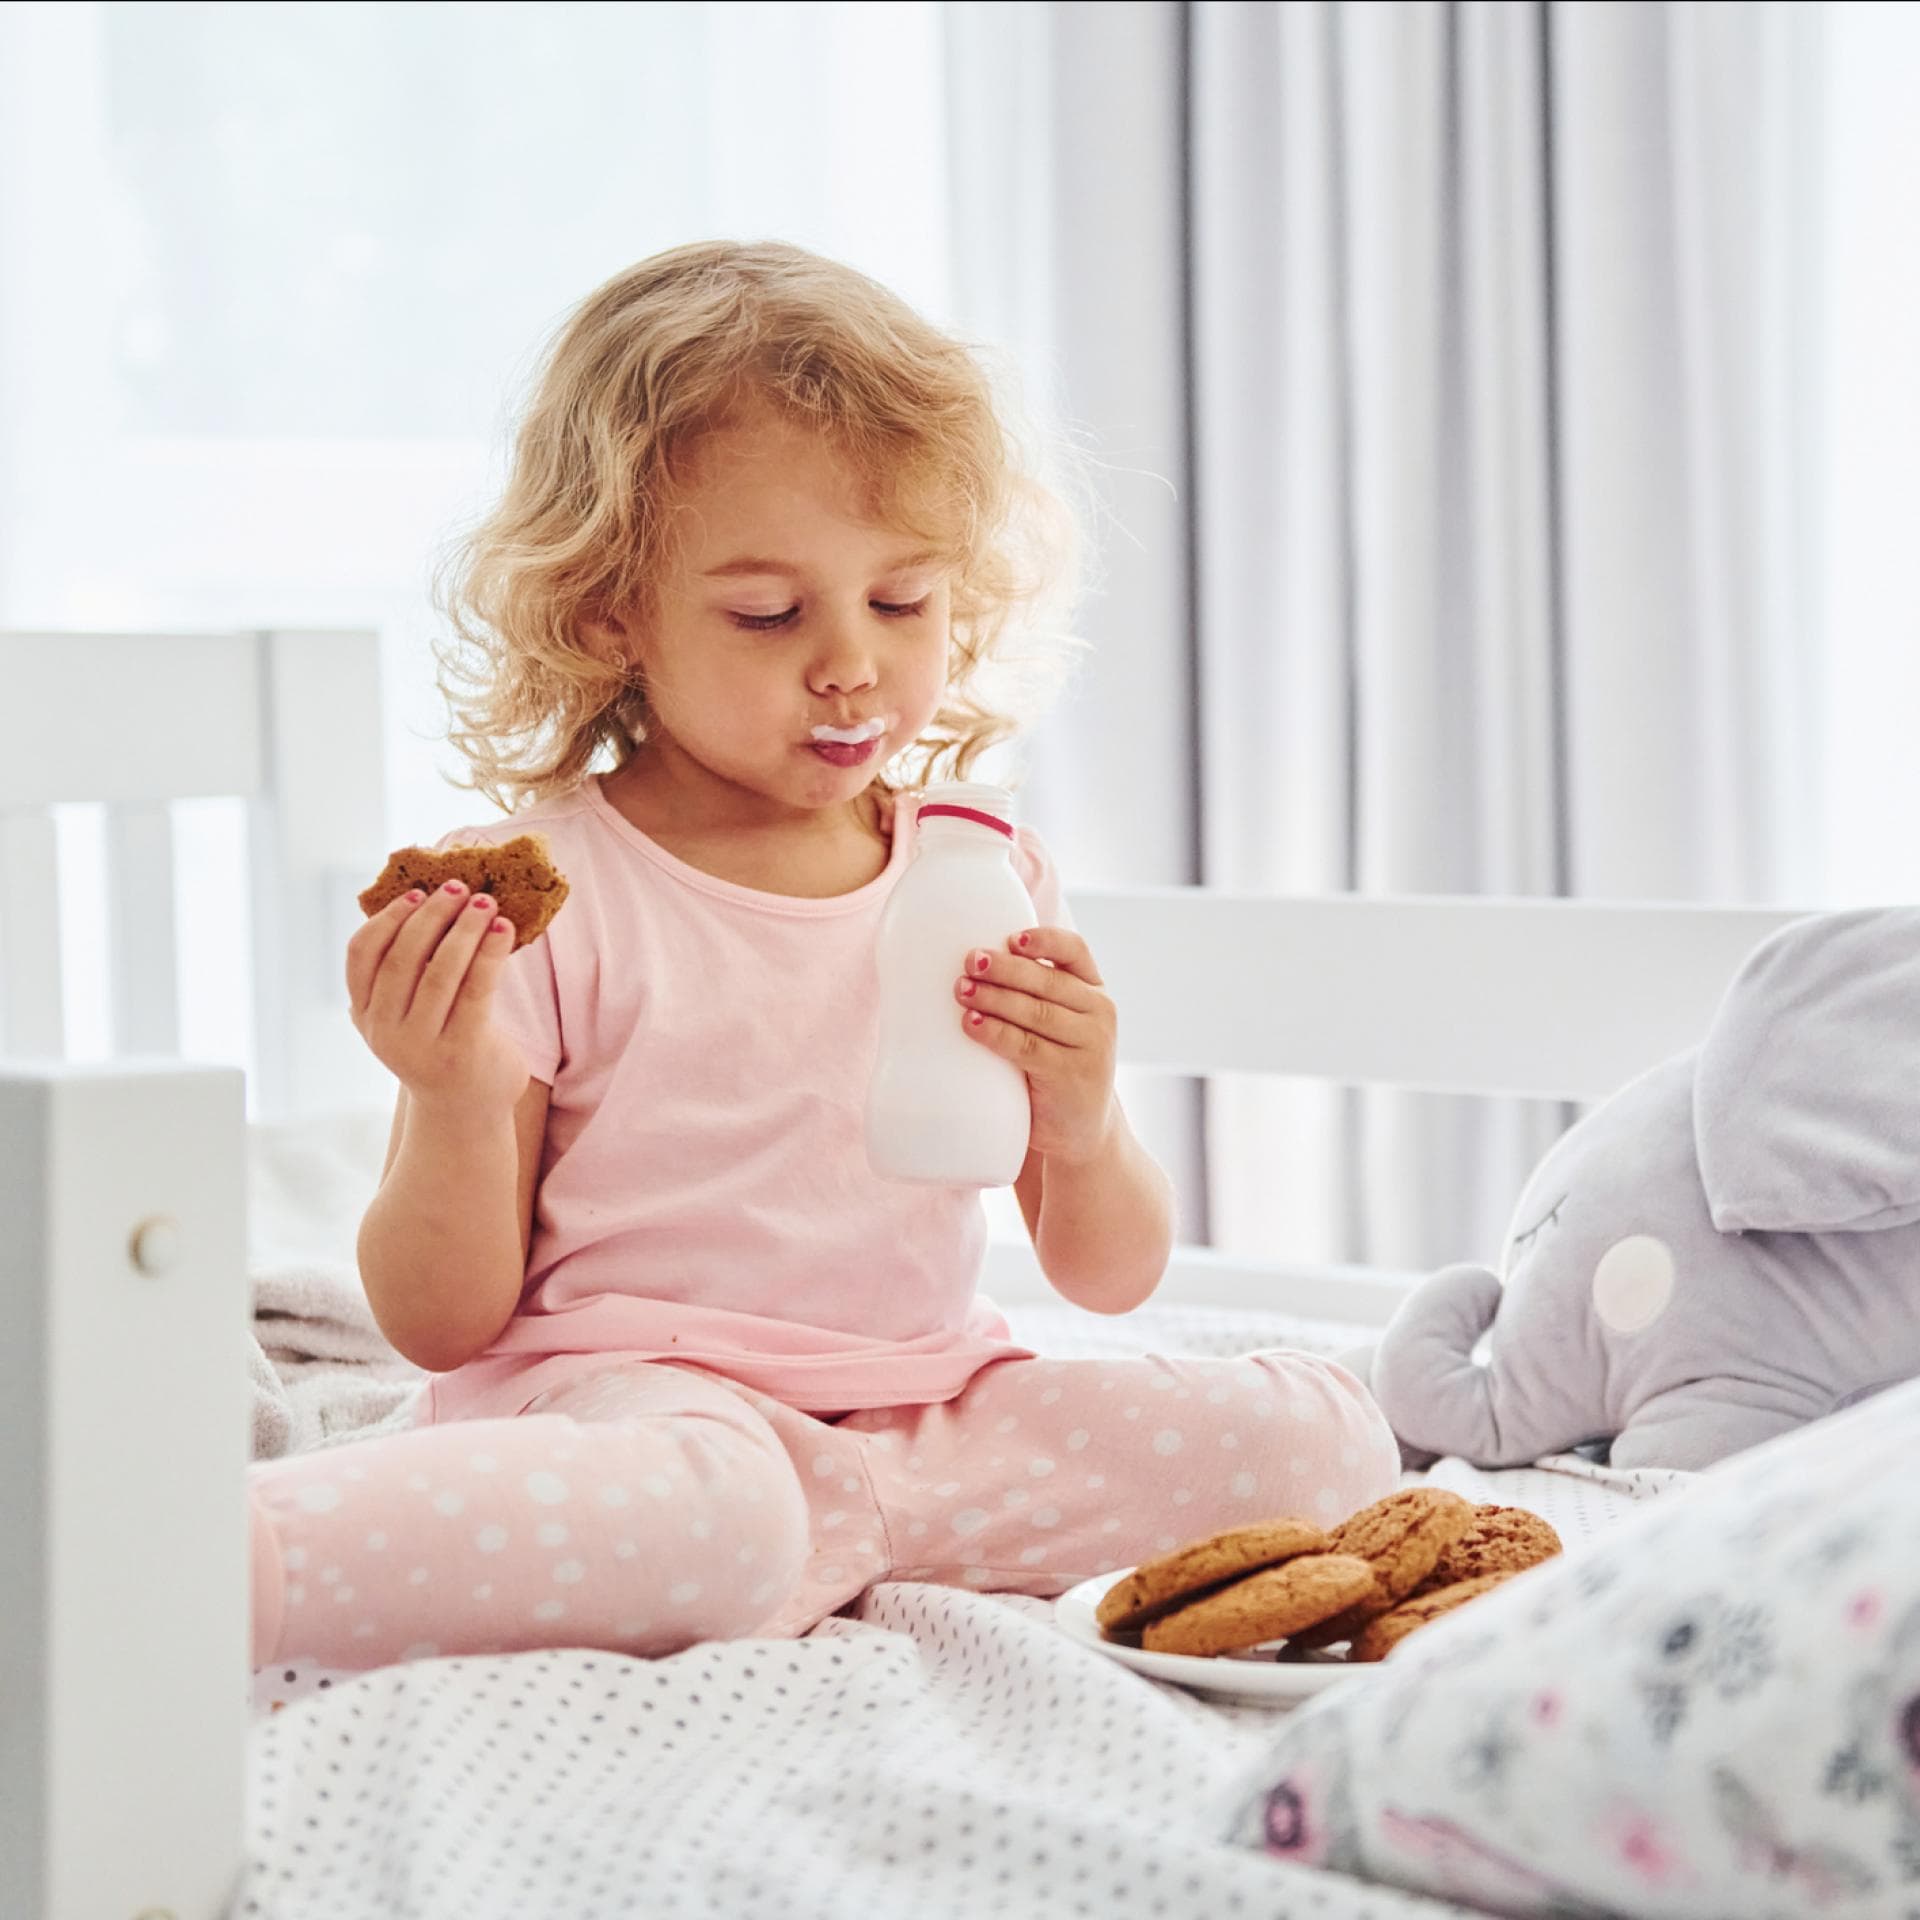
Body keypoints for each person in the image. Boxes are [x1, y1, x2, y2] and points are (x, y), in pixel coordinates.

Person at [247, 241, 1397, 1671]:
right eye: (770, 614)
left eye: (903, 602)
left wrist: (1084, 1116)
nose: (851, 663)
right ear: (615, 609)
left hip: (928, 1419)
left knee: (1320, 1437)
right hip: (645, 1411)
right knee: (718, 1509)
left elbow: (1108, 1276)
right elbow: (438, 1323)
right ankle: (229, 1562)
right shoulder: (563, 896)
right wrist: (451, 1090)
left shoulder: (981, 872)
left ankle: (832, 1535)